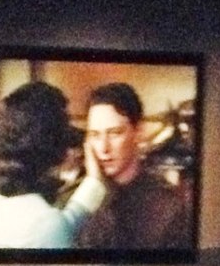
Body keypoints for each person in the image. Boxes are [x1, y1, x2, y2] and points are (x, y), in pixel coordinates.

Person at [0, 81, 106, 249]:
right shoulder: (45, 223)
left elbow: (61, 225)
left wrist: (94, 183)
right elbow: (53, 229)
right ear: (56, 143)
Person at [77, 82, 190, 250]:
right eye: (95, 135)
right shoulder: (77, 200)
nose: (103, 148)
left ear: (138, 132)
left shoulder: (168, 207)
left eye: (114, 133)